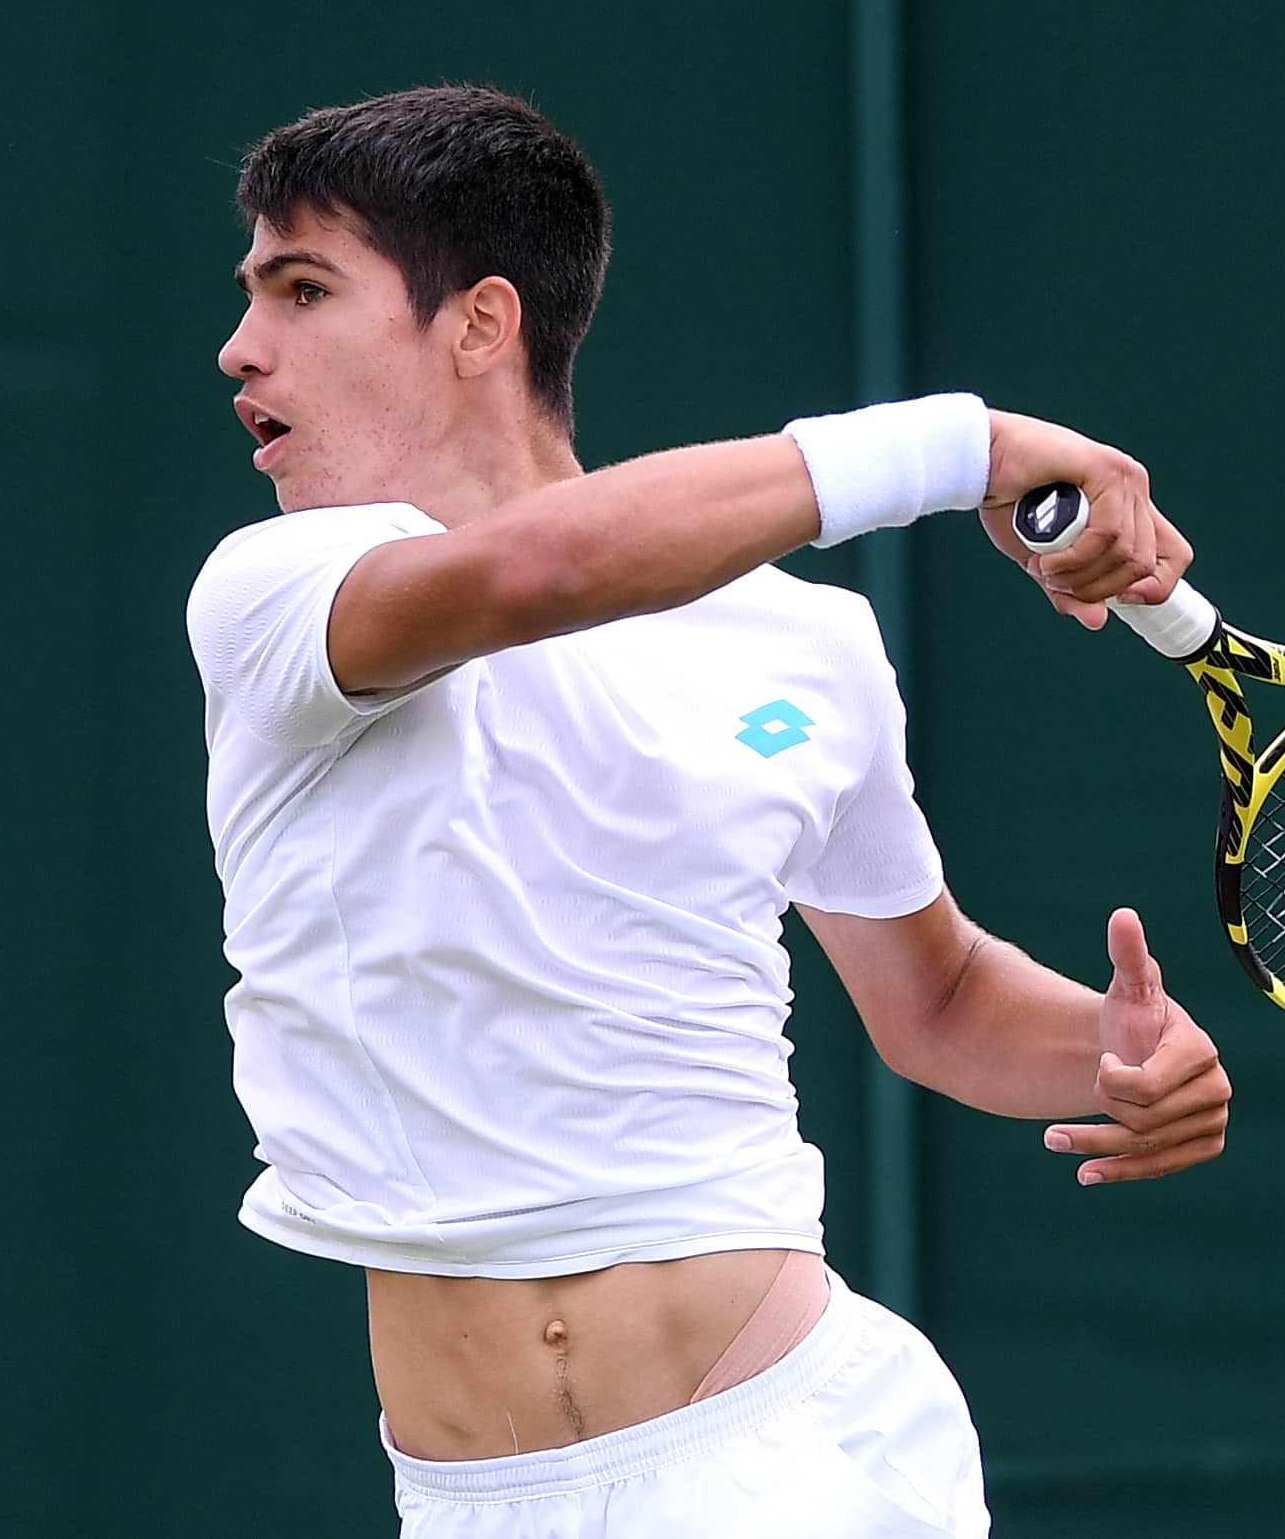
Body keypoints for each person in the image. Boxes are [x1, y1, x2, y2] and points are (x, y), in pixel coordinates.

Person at [186, 85, 1232, 1537]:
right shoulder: (275, 592)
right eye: (250, 295)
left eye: (302, 289)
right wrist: (958, 446)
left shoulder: (804, 647)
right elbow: (527, 577)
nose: (241, 346)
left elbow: (929, 1001)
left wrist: (1114, 1056)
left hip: (789, 1453)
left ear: (480, 326)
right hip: (476, 1500)